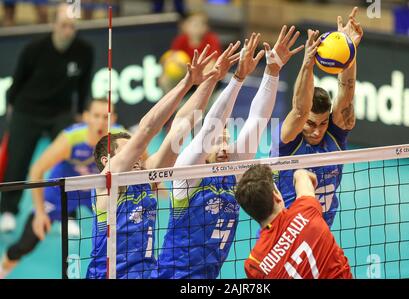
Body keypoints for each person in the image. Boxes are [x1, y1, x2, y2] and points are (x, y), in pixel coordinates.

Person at [153, 26, 304, 279]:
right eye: (217, 141)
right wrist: (237, 79)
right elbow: (208, 129)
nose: (224, 146)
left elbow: (258, 119)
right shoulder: (187, 175)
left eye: (227, 140)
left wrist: (272, 71)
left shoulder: (233, 172)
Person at [87, 44, 241, 279]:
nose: (138, 155)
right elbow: (148, 127)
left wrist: (210, 80)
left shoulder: (147, 177)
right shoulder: (108, 183)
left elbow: (181, 124)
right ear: (108, 160)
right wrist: (186, 83)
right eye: (128, 150)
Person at [0, 98, 124, 279]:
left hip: (93, 194)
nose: (101, 122)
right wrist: (41, 212)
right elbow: (37, 170)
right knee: (26, 243)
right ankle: (3, 269)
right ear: (86, 117)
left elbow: (144, 159)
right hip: (59, 195)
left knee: (122, 231)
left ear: (114, 119)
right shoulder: (71, 139)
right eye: (96, 116)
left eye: (106, 117)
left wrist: (157, 183)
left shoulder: (120, 138)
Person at [0, 3, 94, 232]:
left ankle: (67, 214)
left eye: (72, 27)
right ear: (54, 25)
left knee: (69, 158)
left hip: (60, 113)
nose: (68, 31)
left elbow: (83, 86)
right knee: (18, 160)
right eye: (63, 26)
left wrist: (81, 113)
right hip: (27, 109)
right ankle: (8, 211)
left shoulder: (84, 51)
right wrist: (12, 106)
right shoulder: (34, 48)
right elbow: (18, 79)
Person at [270, 7, 363, 227]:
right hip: (284, 237)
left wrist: (348, 51)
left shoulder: (334, 137)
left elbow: (347, 92)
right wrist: (308, 62)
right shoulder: (288, 141)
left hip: (321, 236)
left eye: (323, 123)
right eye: (311, 124)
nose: (317, 130)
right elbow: (300, 110)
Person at [235, 164, 352, 279]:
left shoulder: (254, 264)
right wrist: (298, 173)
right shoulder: (306, 209)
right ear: (276, 196)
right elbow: (303, 176)